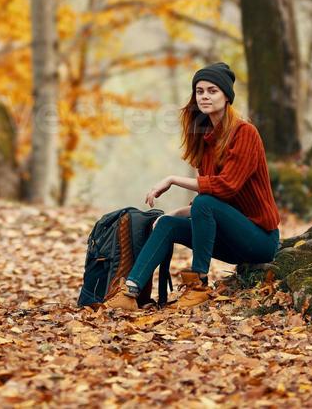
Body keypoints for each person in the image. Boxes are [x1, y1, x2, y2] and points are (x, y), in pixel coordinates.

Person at [104, 61, 282, 312]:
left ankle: (198, 285)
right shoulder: (204, 137)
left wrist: (173, 179)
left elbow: (225, 187)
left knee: (204, 202)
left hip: (260, 240)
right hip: (230, 238)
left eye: (212, 90)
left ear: (226, 96)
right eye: (200, 91)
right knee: (166, 223)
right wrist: (177, 214)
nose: (205, 96)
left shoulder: (245, 133)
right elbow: (213, 201)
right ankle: (130, 290)